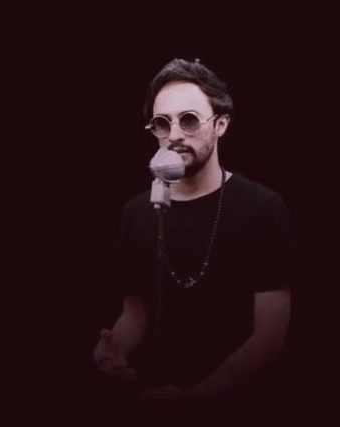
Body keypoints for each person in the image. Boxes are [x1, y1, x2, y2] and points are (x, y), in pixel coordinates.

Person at [93, 58, 293, 408]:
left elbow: (271, 332)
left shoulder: (263, 208)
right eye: (162, 123)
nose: (173, 135)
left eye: (188, 119)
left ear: (221, 124)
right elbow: (136, 310)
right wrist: (116, 347)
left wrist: (197, 401)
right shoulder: (136, 212)